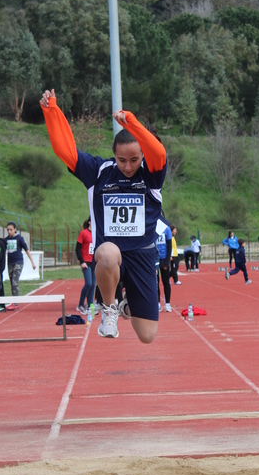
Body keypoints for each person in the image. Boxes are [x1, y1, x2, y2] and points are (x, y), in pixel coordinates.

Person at [41, 88, 167, 343]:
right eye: (122, 160)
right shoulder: (99, 171)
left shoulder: (151, 175)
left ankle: (126, 304)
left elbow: (160, 153)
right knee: (108, 254)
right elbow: (65, 149)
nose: (128, 166)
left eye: (134, 159)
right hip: (110, 252)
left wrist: (131, 121)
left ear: (142, 155)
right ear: (114, 155)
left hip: (143, 254)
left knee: (147, 336)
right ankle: (109, 308)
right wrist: (51, 110)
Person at [5, 222, 36, 310]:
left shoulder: (19, 238)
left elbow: (27, 250)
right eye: (8, 230)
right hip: (10, 263)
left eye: (11, 229)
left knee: (15, 281)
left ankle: (16, 303)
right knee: (12, 283)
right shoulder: (6, 239)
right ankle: (14, 302)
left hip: (18, 262)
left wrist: (32, 262)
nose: (9, 231)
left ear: (15, 229)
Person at [76, 218, 96, 314]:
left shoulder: (96, 233)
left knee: (93, 285)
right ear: (89, 222)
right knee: (88, 283)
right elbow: (77, 248)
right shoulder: (83, 233)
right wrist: (81, 261)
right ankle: (80, 304)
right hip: (86, 262)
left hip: (94, 262)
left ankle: (90, 305)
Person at [156, 215, 173, 312]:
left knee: (166, 281)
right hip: (155, 259)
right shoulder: (153, 227)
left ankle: (167, 303)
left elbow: (169, 245)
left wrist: (167, 261)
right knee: (155, 282)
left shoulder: (167, 229)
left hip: (164, 258)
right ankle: (157, 303)